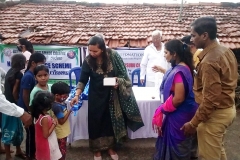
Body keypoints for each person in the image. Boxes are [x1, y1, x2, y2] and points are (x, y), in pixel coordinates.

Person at [71, 36, 144, 160]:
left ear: (103, 50)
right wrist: (77, 95)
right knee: (95, 122)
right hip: (95, 96)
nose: (92, 54)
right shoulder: (88, 61)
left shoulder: (113, 56)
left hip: (112, 95)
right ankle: (97, 150)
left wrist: (118, 82)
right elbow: (82, 80)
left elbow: (123, 76)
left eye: (95, 51)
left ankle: (111, 148)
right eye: (90, 51)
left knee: (110, 122)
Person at [181, 17, 238, 160]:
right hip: (228, 108)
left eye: (194, 35)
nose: (192, 40)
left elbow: (211, 99)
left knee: (208, 155)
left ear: (205, 35)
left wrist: (193, 123)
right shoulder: (225, 51)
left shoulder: (209, 62)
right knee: (218, 150)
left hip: (214, 115)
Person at [152, 39, 198, 160]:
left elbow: (178, 98)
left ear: (174, 54)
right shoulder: (184, 67)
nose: (164, 55)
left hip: (179, 114)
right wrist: (162, 70)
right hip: (184, 111)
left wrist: (162, 109)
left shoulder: (179, 72)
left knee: (178, 145)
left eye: (166, 52)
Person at [18, 53, 46, 160]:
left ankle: (33, 153)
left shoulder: (32, 74)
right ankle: (30, 155)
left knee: (33, 133)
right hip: (27, 110)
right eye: (41, 64)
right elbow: (25, 95)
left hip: (30, 109)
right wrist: (30, 111)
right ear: (33, 63)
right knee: (30, 134)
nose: (42, 66)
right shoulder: (29, 76)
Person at [2, 54, 27, 160]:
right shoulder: (19, 74)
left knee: (16, 130)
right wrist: (18, 103)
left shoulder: (10, 71)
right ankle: (8, 155)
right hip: (11, 107)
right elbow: (15, 91)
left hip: (7, 105)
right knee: (9, 130)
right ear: (22, 62)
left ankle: (18, 151)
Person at [31, 91, 62, 160]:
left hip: (40, 143)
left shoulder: (37, 115)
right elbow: (46, 135)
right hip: (48, 143)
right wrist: (54, 124)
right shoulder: (44, 118)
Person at [51, 81, 71, 160]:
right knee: (61, 152)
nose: (67, 96)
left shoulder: (60, 103)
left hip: (61, 133)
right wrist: (70, 111)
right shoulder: (57, 107)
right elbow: (61, 121)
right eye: (65, 95)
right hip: (60, 134)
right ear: (56, 95)